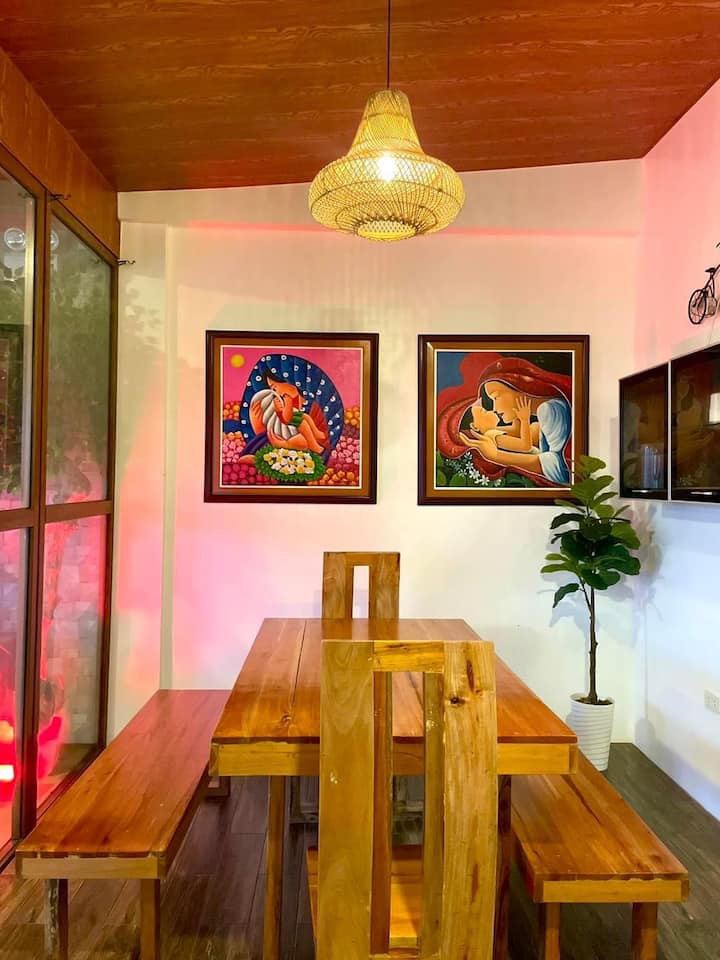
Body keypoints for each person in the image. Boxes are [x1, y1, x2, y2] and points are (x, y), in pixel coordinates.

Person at [440, 356, 573, 485]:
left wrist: (495, 455)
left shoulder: (548, 409)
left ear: (517, 387)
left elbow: (559, 469)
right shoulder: (547, 409)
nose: (494, 409)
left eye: (496, 398)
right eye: (486, 409)